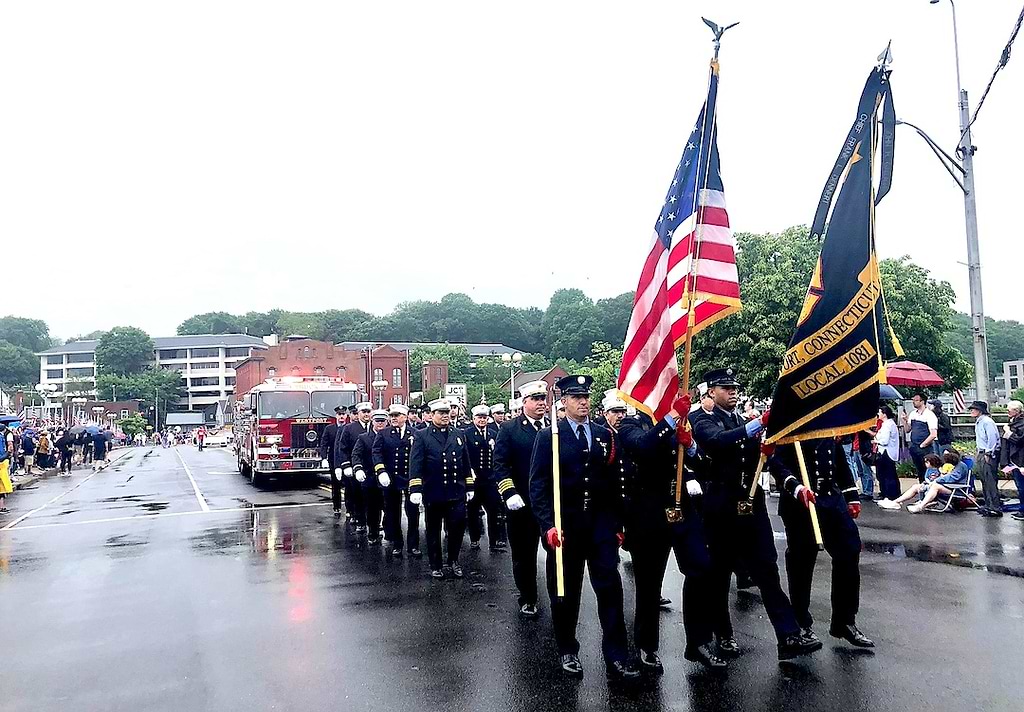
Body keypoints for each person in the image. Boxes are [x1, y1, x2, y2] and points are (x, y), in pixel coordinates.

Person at [690, 367, 820, 661]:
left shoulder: (741, 421)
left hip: (752, 507)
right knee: (720, 574)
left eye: (735, 388)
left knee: (767, 571)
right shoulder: (702, 420)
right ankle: (723, 635)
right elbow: (717, 442)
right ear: (711, 392)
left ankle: (787, 636)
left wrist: (794, 486)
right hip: (722, 507)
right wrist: (755, 426)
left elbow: (767, 460)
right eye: (726, 388)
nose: (733, 392)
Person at [529, 375, 639, 681]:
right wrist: (547, 525)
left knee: (610, 590)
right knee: (566, 593)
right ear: (563, 401)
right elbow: (537, 484)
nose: (583, 402)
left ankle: (616, 655)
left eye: (586, 397)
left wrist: (618, 524)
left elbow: (615, 484)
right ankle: (567, 649)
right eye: (576, 397)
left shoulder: (604, 435)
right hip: (567, 529)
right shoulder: (551, 435)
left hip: (600, 527)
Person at [616, 391, 724, 671]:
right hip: (648, 513)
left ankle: (698, 642)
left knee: (701, 568)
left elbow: (705, 466)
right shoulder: (630, 425)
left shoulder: (680, 425)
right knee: (649, 584)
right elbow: (642, 447)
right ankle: (646, 646)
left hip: (682, 509)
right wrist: (671, 419)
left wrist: (690, 448)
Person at [774, 439, 873, 648]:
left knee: (849, 550)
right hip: (801, 504)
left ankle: (844, 621)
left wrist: (851, 496)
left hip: (832, 501)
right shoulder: (789, 423)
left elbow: (839, 461)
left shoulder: (826, 422)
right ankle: (800, 622)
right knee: (802, 562)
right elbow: (776, 462)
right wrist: (795, 487)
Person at [492, 380, 547, 617]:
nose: (541, 404)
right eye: (535, 399)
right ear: (524, 402)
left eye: (543, 399)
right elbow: (500, 464)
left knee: (557, 554)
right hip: (522, 503)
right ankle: (528, 597)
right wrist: (509, 492)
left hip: (549, 503)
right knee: (524, 556)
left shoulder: (554, 427)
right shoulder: (510, 429)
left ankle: (558, 596)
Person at [408, 398, 475, 579]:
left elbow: (465, 462)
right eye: (441, 413)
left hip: (456, 490)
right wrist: (415, 488)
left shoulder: (459, 434)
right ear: (432, 415)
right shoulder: (422, 435)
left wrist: (469, 485)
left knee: (457, 527)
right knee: (433, 530)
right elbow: (416, 464)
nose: (445, 416)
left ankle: (453, 560)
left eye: (447, 413)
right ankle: (436, 564)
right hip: (434, 490)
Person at [373, 403, 421, 557]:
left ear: (405, 417)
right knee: (393, 512)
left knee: (412, 512)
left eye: (397, 416)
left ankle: (413, 545)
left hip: (409, 478)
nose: (393, 418)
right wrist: (381, 471)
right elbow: (376, 452)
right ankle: (397, 543)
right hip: (391, 477)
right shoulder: (384, 434)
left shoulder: (415, 433)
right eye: (391, 416)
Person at [464, 404, 506, 552]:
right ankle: (475, 539)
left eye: (484, 417)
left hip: (490, 479)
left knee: (494, 511)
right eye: (479, 417)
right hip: (475, 479)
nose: (482, 420)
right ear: (473, 418)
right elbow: (465, 455)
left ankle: (494, 540)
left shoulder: (493, 433)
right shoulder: (467, 433)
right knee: (473, 510)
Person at [352, 409, 390, 545]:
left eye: (383, 421)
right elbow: (356, 455)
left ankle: (388, 530)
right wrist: (358, 469)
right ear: (372, 422)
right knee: (372, 509)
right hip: (370, 479)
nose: (380, 424)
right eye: (377, 421)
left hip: (388, 479)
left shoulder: (391, 436)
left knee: (389, 507)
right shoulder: (364, 438)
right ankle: (373, 533)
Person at [334, 402, 373, 529]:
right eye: (363, 412)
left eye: (368, 412)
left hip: (372, 467)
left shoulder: (376, 426)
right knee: (357, 494)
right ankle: (359, 519)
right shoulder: (349, 428)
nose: (366, 414)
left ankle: (373, 522)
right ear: (359, 413)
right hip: (355, 466)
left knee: (373, 497)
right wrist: (345, 465)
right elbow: (343, 448)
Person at [971, 400, 1003, 517]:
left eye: (974, 409)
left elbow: (993, 439)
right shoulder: (979, 422)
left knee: (990, 481)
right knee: (984, 480)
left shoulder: (987, 422)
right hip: (981, 452)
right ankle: (988, 505)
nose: (972, 411)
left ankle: (995, 507)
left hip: (987, 454)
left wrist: (989, 454)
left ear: (980, 411)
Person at [998, 400, 1024, 521]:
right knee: (1019, 486)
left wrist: (1008, 432)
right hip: (1013, 461)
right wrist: (1004, 464)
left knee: (1022, 487)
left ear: (1017, 411)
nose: (1008, 411)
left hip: (1020, 461)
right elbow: (1006, 446)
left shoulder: (1021, 424)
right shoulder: (1012, 423)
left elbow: (1020, 441)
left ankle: (1023, 510)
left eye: (1010, 409)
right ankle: (1021, 509)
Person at [904, 393, 938, 482]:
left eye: (916, 400)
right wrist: (904, 421)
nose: (913, 402)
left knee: (927, 469)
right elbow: (907, 430)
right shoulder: (912, 414)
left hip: (924, 447)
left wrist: (923, 445)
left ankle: (929, 490)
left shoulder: (929, 415)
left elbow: (933, 434)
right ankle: (922, 488)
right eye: (913, 400)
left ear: (922, 402)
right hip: (914, 446)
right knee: (919, 469)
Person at [873, 406, 902, 501]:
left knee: (887, 474)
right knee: (887, 474)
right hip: (886, 451)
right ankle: (888, 493)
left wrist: (876, 441)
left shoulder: (888, 425)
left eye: (880, 412)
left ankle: (890, 494)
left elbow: (885, 440)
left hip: (886, 452)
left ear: (884, 414)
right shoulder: (887, 424)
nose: (878, 414)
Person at [319, 406, 345, 505]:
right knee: (335, 483)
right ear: (336, 416)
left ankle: (350, 508)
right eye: (339, 414)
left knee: (349, 484)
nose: (341, 417)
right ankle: (337, 506)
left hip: (346, 459)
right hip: (333, 459)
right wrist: (324, 458)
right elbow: (324, 444)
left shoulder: (349, 428)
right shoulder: (329, 429)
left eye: (343, 414)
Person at [0, 426, 12, 514]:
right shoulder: (0, 437)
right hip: (1, 466)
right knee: (2, 488)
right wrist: (7, 453)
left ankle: (2, 506)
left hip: (3, 465)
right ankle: (2, 507)